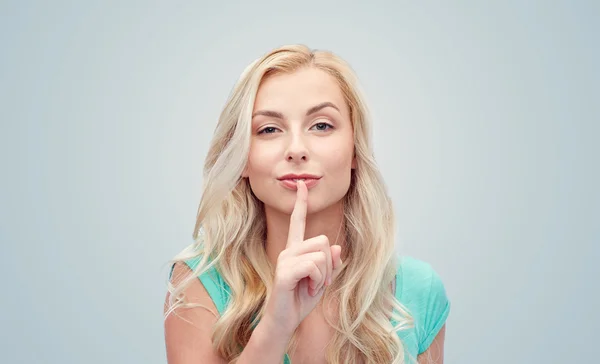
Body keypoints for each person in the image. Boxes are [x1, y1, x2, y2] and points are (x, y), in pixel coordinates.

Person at [163, 44, 451, 364]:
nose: (297, 149)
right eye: (269, 129)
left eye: (322, 125)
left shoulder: (419, 291)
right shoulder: (199, 282)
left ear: (355, 149)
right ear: (242, 158)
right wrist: (276, 325)